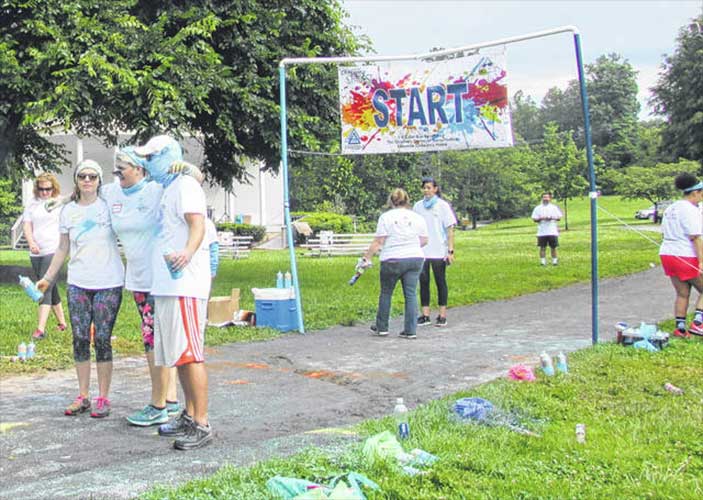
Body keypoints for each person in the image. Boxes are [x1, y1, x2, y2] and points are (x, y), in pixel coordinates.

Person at [134, 135, 213, 450]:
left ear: (169, 156)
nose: (148, 163)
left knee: (190, 355)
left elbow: (198, 224)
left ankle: (202, 423)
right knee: (178, 356)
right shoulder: (167, 188)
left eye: (152, 157)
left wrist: (187, 253)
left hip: (185, 285)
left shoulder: (185, 186)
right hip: (167, 286)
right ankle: (189, 415)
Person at [37, 160, 125, 418]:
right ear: (76, 180)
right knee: (80, 339)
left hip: (108, 282)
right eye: (83, 176)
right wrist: (48, 278)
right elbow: (63, 247)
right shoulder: (68, 211)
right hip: (78, 283)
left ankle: (104, 397)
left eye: (93, 177)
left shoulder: (108, 206)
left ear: (99, 180)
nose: (88, 180)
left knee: (102, 339)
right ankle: (83, 395)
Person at [100, 148, 181, 426]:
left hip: (160, 278)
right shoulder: (111, 193)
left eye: (123, 166)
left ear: (139, 169)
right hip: (137, 278)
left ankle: (158, 404)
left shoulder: (155, 190)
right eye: (116, 166)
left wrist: (180, 165)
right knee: (155, 339)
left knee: (154, 341)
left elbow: (191, 178)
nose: (118, 171)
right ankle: (170, 401)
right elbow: (83, 193)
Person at [363, 188, 428, 339]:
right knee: (411, 294)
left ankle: (382, 327)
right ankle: (411, 330)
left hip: (391, 259)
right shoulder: (417, 218)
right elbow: (424, 240)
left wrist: (367, 257)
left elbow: (379, 241)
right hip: (415, 258)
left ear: (391, 201)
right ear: (407, 200)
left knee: (386, 293)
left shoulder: (386, 217)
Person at [22, 173, 68, 339]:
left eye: (48, 189)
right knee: (51, 286)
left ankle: (40, 330)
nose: (44, 193)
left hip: (54, 250)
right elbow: (27, 225)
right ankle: (62, 324)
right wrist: (31, 242)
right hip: (36, 252)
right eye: (41, 189)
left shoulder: (60, 203)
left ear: (53, 187)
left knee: (44, 286)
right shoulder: (32, 203)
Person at [659, 173, 703, 338]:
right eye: (701, 192)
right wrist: (701, 262)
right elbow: (696, 237)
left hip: (667, 254)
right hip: (685, 255)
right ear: (694, 193)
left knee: (682, 293)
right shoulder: (690, 210)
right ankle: (699, 323)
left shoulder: (672, 208)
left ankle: (680, 328)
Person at [413, 176, 457, 327]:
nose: (426, 191)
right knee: (423, 281)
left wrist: (450, 250)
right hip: (423, 249)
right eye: (424, 188)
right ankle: (425, 314)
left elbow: (450, 228)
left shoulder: (442, 206)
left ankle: (442, 314)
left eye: (429, 188)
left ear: (435, 189)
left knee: (440, 281)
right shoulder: (418, 206)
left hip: (439, 249)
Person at [531, 192, 563, 266]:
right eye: (544, 197)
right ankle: (543, 262)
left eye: (547, 197)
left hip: (552, 231)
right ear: (542, 198)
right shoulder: (538, 208)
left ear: (550, 198)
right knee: (542, 247)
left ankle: (554, 261)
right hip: (542, 231)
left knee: (553, 247)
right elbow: (534, 219)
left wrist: (551, 217)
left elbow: (559, 218)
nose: (545, 199)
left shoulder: (554, 207)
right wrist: (541, 218)